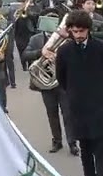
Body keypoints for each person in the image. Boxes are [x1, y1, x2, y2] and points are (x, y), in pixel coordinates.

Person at [54, 9, 103, 176]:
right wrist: (75, 94)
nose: (78, 35)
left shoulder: (102, 49)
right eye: (74, 31)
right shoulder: (64, 51)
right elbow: (61, 78)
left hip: (98, 108)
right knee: (85, 153)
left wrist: (99, 92)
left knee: (101, 154)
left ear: (88, 29)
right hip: (77, 109)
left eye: (81, 31)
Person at [23, 15, 78, 155]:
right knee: (52, 114)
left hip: (64, 82)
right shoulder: (36, 39)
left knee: (68, 114)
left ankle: (72, 143)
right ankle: (57, 141)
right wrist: (41, 52)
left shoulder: (68, 38)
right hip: (46, 83)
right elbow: (25, 55)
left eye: (55, 20)